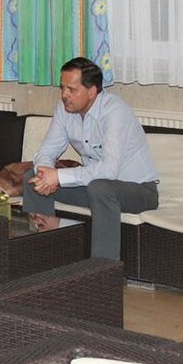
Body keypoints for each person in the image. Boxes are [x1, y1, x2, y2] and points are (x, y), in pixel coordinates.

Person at [23, 57, 159, 260]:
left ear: (92, 92)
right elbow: (47, 151)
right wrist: (44, 172)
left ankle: (102, 269)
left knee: (100, 188)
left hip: (138, 191)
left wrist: (58, 177)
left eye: (72, 89)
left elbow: (108, 170)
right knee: (32, 177)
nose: (64, 95)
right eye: (62, 88)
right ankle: (45, 252)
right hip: (93, 188)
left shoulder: (115, 112)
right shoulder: (64, 110)